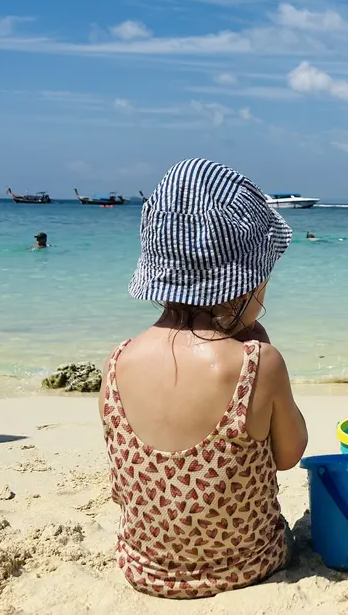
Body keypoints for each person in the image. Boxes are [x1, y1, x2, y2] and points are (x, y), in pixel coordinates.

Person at [99, 158, 308, 599]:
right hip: (248, 565)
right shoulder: (259, 363)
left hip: (146, 570)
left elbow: (122, 486)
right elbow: (289, 455)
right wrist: (261, 350)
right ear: (246, 282)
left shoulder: (117, 363)